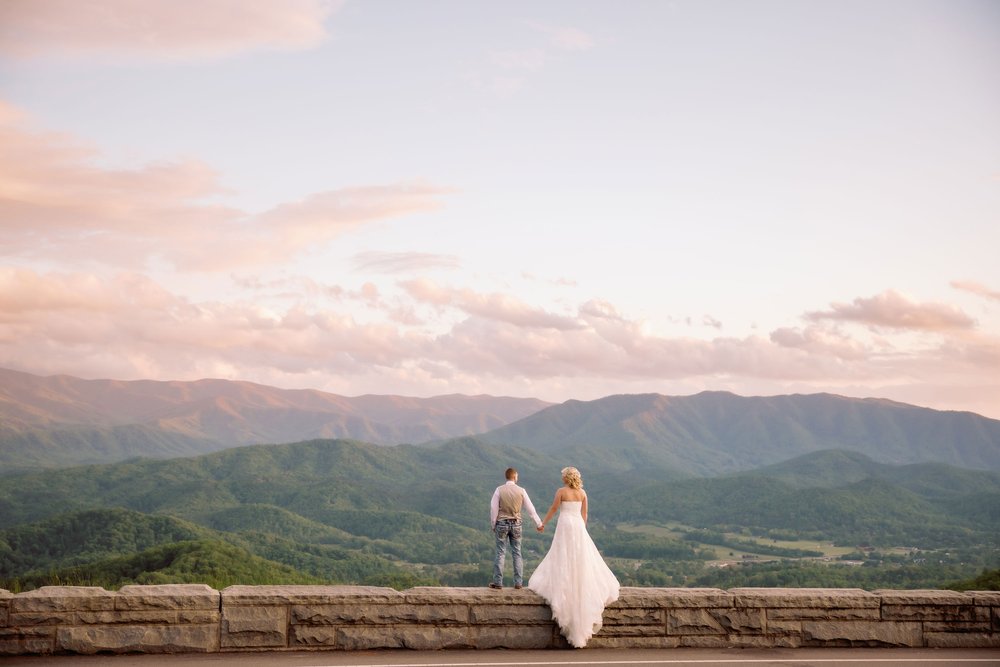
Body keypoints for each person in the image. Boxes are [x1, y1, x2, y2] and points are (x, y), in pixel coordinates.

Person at [529, 466, 620, 648]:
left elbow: (554, 508)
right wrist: (582, 530)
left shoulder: (561, 491)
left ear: (566, 478)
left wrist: (542, 524)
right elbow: (584, 514)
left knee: (563, 556)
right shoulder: (582, 493)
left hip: (565, 525)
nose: (562, 478)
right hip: (577, 526)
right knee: (580, 559)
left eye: (563, 475)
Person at [489, 467, 543, 590]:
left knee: (500, 552)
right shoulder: (521, 491)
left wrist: (493, 524)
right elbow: (530, 509)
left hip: (501, 523)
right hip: (516, 523)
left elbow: (493, 509)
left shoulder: (499, 490)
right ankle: (518, 583)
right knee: (517, 553)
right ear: (514, 477)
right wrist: (539, 524)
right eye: (517, 476)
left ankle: (498, 582)